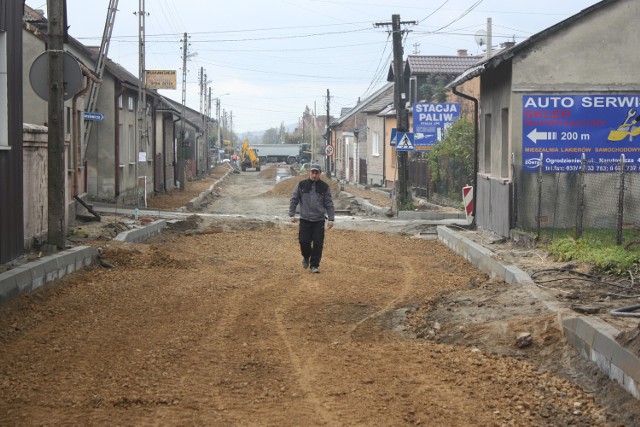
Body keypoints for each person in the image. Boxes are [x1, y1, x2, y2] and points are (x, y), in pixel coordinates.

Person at [289, 164, 335, 273]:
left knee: (318, 244)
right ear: (309, 173)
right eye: (312, 173)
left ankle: (314, 265)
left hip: (318, 220)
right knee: (304, 242)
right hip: (305, 219)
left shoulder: (325, 187)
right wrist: (291, 214)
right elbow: (294, 199)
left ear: (320, 174)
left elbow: (329, 203)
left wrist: (331, 218)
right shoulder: (302, 185)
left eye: (316, 173)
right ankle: (306, 256)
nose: (314, 175)